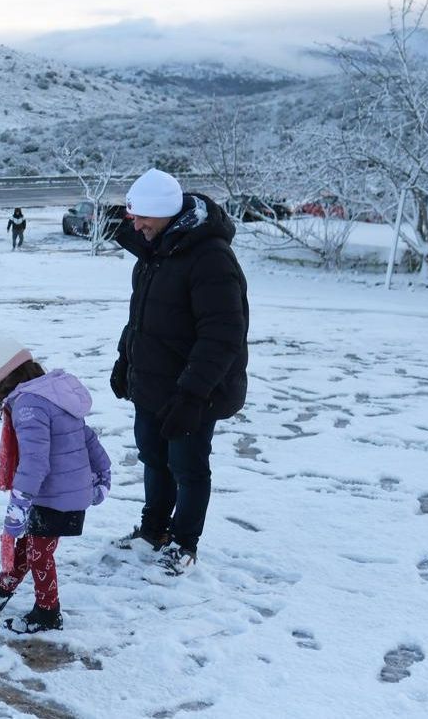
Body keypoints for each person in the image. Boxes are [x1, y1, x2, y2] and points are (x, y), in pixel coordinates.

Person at [109, 168, 249, 578]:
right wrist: (125, 359)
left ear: (164, 213)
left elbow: (222, 335)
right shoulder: (155, 252)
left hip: (194, 389)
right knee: (153, 457)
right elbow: (140, 317)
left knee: (187, 467)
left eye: (141, 217)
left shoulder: (211, 258)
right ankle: (153, 530)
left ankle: (184, 543)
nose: (134, 225)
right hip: (152, 381)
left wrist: (192, 396)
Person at [0, 333, 110, 634]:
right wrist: (104, 473)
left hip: (56, 494)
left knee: (39, 553)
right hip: (66, 489)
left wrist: (19, 502)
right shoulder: (52, 393)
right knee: (31, 544)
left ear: (4, 379)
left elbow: (35, 461)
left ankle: (48, 612)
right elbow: (87, 436)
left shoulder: (28, 405)